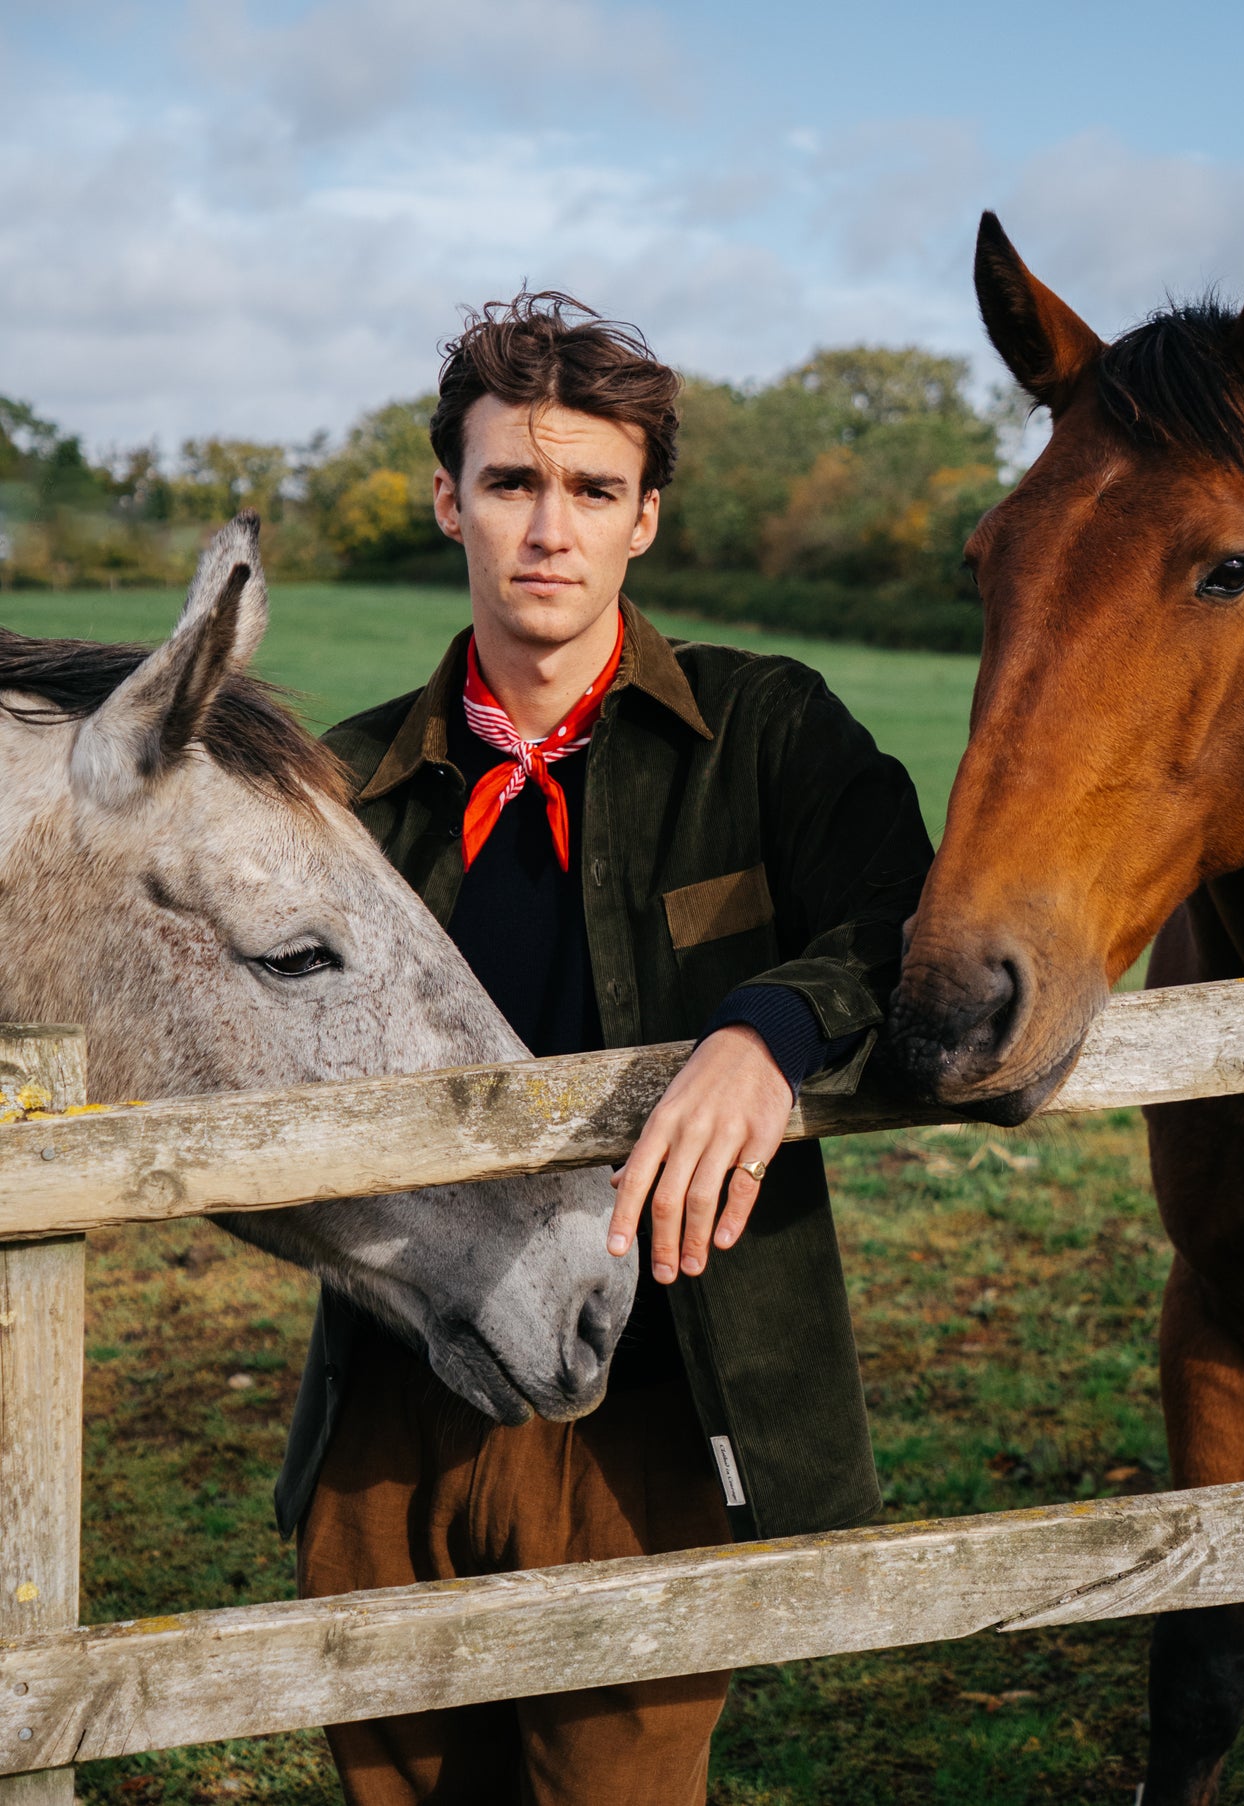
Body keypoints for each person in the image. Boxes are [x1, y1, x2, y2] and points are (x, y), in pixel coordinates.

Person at [278, 291, 934, 1806]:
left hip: (659, 1386)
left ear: (646, 516)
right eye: (511, 482)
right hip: (398, 1399)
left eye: (590, 489)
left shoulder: (771, 730)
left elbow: (909, 919)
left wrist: (769, 1029)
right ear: (451, 497)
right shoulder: (341, 792)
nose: (547, 528)